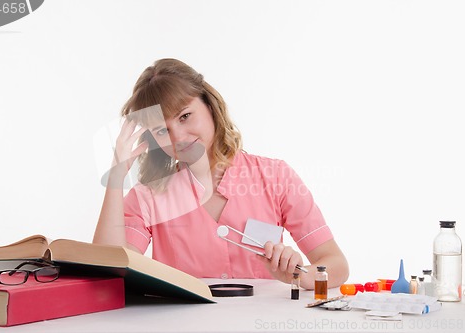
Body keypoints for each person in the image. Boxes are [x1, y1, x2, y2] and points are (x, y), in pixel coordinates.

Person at [93, 58, 349, 289]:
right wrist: (116, 178)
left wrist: (300, 275)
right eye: (161, 131)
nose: (178, 138)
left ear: (210, 105)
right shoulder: (148, 195)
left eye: (185, 116)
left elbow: (335, 264)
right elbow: (111, 270)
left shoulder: (275, 176)